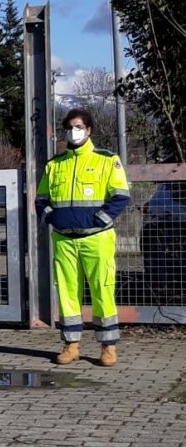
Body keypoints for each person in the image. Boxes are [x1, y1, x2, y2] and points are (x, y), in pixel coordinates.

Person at [35, 107, 131, 366]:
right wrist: (52, 218)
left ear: (89, 130)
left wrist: (99, 220)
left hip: (97, 239)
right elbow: (41, 199)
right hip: (64, 240)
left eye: (78, 127)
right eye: (69, 127)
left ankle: (108, 347)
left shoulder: (106, 160)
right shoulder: (55, 165)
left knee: (103, 290)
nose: (73, 131)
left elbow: (121, 196)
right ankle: (71, 345)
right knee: (67, 293)